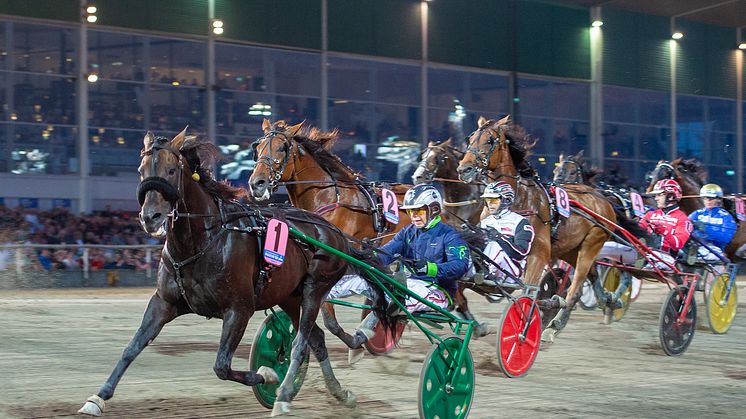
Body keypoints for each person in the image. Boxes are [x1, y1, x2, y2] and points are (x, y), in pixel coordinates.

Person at [332, 184, 470, 364]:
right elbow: (387, 253)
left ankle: (364, 331)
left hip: (437, 291)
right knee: (359, 280)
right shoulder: (407, 232)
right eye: (411, 212)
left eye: (419, 211)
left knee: (400, 291)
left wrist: (431, 268)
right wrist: (366, 257)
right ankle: (318, 295)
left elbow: (460, 266)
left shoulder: (449, 235)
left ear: (434, 210)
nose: (414, 216)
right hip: (404, 285)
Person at [475, 182, 534, 286]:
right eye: (487, 200)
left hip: (511, 271)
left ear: (506, 200)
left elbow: (522, 252)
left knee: (494, 245)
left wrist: (499, 237)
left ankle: (484, 271)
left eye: (493, 200)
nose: (489, 204)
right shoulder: (485, 222)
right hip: (487, 265)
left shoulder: (520, 222)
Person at [688, 184, 737, 264]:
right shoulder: (696, 214)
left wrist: (705, 230)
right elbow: (685, 228)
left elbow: (726, 238)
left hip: (714, 248)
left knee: (710, 257)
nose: (708, 201)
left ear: (718, 199)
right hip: (694, 247)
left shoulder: (725, 217)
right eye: (705, 198)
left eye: (711, 199)